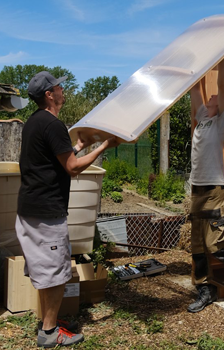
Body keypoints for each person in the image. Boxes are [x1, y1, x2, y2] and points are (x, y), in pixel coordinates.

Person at [16, 71, 117, 348]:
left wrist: (80, 146)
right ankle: (49, 333)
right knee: (57, 275)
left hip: (31, 210)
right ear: (50, 95)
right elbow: (72, 167)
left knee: (47, 273)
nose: (62, 89)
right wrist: (106, 145)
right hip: (46, 214)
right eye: (58, 86)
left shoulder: (35, 122)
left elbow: (56, 158)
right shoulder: (52, 124)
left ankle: (49, 321)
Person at [187, 60, 224, 313]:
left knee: (215, 243)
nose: (210, 95)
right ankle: (204, 290)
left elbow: (221, 85)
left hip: (214, 190)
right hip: (197, 190)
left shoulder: (223, 123)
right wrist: (189, 66)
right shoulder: (202, 117)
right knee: (198, 246)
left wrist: (220, 57)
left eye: (216, 97)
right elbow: (193, 90)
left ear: (222, 106)